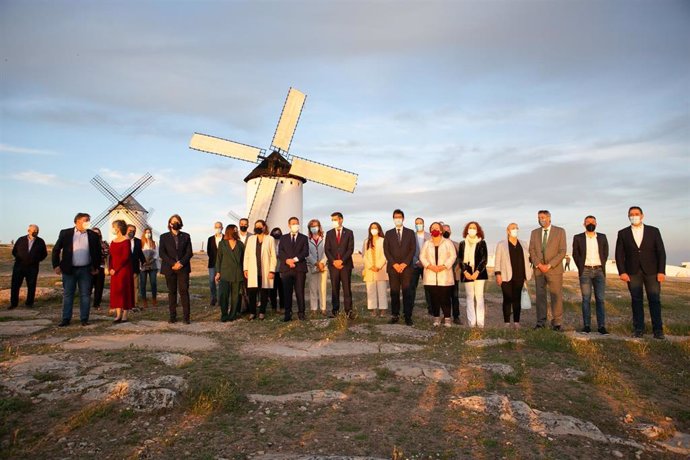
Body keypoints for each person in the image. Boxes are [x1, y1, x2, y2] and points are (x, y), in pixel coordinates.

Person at [615, 206, 666, 339]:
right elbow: (619, 254)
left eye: (636, 214)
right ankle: (638, 329)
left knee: (654, 300)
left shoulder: (653, 231)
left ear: (642, 216)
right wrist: (622, 272)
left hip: (652, 272)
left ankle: (658, 330)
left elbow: (661, 251)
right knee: (636, 300)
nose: (634, 216)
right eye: (631, 214)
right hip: (632, 272)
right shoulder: (623, 233)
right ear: (628, 216)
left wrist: (661, 271)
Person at [52, 213, 101, 327]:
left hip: (86, 269)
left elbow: (97, 252)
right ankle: (66, 319)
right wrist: (56, 265)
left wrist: (96, 267)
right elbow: (56, 249)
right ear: (77, 221)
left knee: (85, 294)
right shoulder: (65, 233)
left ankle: (84, 319)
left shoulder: (93, 235)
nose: (88, 222)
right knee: (68, 294)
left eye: (89, 220)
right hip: (69, 269)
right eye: (85, 220)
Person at [528, 210, 567, 331]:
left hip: (554, 269)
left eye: (543, 217)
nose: (541, 219)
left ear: (549, 218)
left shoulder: (560, 231)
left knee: (556, 296)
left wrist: (549, 265)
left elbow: (562, 251)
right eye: (539, 217)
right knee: (540, 296)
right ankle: (540, 322)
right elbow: (532, 250)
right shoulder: (534, 233)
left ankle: (557, 322)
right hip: (539, 270)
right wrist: (539, 264)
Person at [572, 216, 609, 334]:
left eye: (592, 222)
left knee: (600, 299)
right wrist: (581, 267)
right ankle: (586, 326)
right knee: (586, 299)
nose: (590, 223)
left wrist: (601, 265)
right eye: (588, 222)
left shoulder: (602, 237)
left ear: (596, 223)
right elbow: (575, 254)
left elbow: (605, 253)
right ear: (584, 224)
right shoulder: (578, 237)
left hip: (599, 271)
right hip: (585, 271)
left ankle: (601, 326)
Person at [419, 222, 457, 327]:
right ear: (430, 231)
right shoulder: (427, 243)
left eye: (436, 228)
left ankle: (447, 318)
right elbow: (422, 256)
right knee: (434, 298)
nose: (434, 229)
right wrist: (429, 266)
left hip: (444, 274)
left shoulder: (447, 242)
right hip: (430, 274)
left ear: (440, 230)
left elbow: (453, 256)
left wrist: (443, 266)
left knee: (445, 298)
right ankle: (436, 318)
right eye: (432, 228)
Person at [494, 223, 531, 328]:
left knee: (517, 299)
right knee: (507, 298)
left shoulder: (523, 244)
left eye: (516, 228)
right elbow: (497, 260)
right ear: (508, 231)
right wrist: (498, 274)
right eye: (513, 228)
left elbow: (528, 259)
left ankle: (516, 322)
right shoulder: (501, 244)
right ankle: (506, 322)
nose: (515, 230)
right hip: (505, 276)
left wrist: (528, 273)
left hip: (519, 276)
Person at [383, 209, 416, 326]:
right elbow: (386, 251)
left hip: (406, 268)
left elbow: (412, 249)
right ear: (393, 219)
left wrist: (404, 264)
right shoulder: (388, 233)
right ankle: (395, 315)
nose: (397, 219)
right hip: (393, 268)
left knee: (407, 292)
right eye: (395, 217)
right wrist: (395, 264)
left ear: (403, 218)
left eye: (399, 217)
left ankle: (408, 316)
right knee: (394, 292)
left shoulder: (410, 233)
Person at [159, 214, 193, 324]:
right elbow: (162, 253)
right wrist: (173, 263)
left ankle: (186, 317)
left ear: (180, 223)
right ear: (170, 224)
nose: (175, 223)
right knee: (172, 292)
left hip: (183, 268)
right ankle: (172, 316)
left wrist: (181, 263)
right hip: (170, 268)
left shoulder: (186, 236)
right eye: (173, 221)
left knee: (184, 291)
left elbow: (189, 252)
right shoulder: (163, 237)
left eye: (177, 221)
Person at [243, 219, 277, 320]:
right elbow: (247, 255)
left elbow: (273, 256)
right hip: (253, 270)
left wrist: (272, 270)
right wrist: (246, 269)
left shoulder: (270, 239)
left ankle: (262, 312)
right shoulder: (251, 239)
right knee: (252, 292)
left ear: (264, 227)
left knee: (264, 292)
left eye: (259, 226)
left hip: (265, 270)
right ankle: (252, 312)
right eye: (256, 226)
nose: (258, 228)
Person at [325, 212, 355, 318]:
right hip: (333, 266)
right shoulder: (329, 233)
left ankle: (348, 311)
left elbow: (350, 249)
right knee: (334, 288)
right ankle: (335, 311)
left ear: (341, 220)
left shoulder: (349, 232)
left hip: (345, 265)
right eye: (332, 220)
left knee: (347, 289)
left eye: (335, 219)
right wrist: (334, 261)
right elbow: (327, 249)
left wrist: (341, 261)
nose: (334, 222)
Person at [10, 224, 47, 309]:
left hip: (32, 267)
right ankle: (13, 304)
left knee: (31, 285)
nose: (36, 232)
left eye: (37, 231)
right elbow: (14, 251)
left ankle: (29, 303)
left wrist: (36, 260)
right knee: (15, 285)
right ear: (28, 231)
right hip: (19, 266)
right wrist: (20, 259)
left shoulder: (40, 241)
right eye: (34, 231)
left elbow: (44, 254)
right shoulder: (21, 239)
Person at [459, 222, 489, 328]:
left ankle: (480, 323)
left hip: (479, 274)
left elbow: (484, 259)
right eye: (470, 227)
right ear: (467, 230)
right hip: (467, 274)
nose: (472, 229)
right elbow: (460, 260)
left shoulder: (482, 243)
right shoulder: (462, 243)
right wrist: (466, 272)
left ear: (478, 230)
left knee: (479, 297)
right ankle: (471, 322)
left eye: (474, 227)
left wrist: (476, 272)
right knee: (469, 297)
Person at [279, 217, 309, 321]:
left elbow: (305, 252)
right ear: (289, 225)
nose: (295, 225)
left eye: (297, 223)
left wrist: (294, 260)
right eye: (293, 223)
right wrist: (287, 260)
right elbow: (281, 252)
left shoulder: (304, 238)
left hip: (299, 269)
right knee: (287, 292)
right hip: (286, 269)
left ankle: (301, 313)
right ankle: (288, 313)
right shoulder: (283, 238)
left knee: (300, 292)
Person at [215, 224, 245, 322]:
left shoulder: (240, 244)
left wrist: (245, 271)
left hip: (237, 274)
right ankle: (224, 315)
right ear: (229, 231)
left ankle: (233, 315)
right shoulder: (222, 243)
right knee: (224, 295)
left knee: (235, 296)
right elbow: (218, 259)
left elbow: (244, 260)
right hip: (225, 273)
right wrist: (218, 272)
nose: (236, 231)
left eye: (237, 230)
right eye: (234, 230)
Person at [108, 220, 134, 323]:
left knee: (125, 291)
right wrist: (110, 268)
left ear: (118, 228)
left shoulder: (126, 240)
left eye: (113, 227)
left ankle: (125, 315)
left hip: (123, 270)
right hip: (114, 271)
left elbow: (125, 256)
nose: (112, 229)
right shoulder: (113, 241)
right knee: (116, 291)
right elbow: (111, 257)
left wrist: (116, 269)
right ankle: (118, 314)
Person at [362, 222, 388, 317]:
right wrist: (370, 266)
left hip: (380, 269)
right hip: (369, 270)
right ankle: (373, 309)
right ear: (369, 229)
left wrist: (378, 265)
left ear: (379, 229)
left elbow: (385, 254)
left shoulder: (383, 240)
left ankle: (383, 310)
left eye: (375, 227)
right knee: (371, 290)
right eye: (372, 228)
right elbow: (364, 255)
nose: (374, 229)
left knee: (382, 290)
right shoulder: (366, 241)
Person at [306, 219, 328, 315]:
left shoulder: (325, 238)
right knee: (313, 288)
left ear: (319, 226)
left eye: (316, 225)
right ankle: (314, 308)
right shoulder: (307, 240)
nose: (314, 228)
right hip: (311, 267)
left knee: (322, 288)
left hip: (323, 267)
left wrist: (322, 263)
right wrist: (316, 263)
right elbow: (307, 253)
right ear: (309, 228)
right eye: (312, 226)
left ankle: (323, 308)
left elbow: (327, 252)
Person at [410, 217, 432, 315]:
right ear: (415, 225)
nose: (418, 224)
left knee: (428, 287)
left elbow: (431, 251)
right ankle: (410, 308)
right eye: (417, 223)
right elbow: (409, 250)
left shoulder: (429, 236)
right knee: (412, 287)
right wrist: (416, 261)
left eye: (420, 223)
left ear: (423, 224)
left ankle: (431, 308)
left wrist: (425, 262)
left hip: (427, 265)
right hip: (415, 265)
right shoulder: (411, 236)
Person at [442, 224, 462, 324]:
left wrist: (457, 268)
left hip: (454, 274)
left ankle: (456, 316)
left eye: (448, 229)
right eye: (444, 230)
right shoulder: (439, 244)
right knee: (444, 297)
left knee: (454, 297)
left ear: (450, 231)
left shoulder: (456, 244)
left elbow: (460, 259)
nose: (446, 231)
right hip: (443, 275)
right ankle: (446, 316)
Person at [126, 224, 146, 310]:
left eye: (134, 230)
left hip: (135, 268)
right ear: (126, 230)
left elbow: (140, 252)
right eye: (130, 230)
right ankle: (125, 304)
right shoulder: (122, 240)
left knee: (135, 287)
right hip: (125, 268)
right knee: (125, 287)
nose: (132, 232)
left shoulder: (138, 241)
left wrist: (143, 261)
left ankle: (134, 304)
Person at [140, 227, 159, 308]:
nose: (148, 234)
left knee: (153, 282)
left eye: (149, 232)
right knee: (143, 283)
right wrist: (143, 261)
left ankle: (154, 299)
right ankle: (144, 300)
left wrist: (151, 260)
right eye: (146, 232)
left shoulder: (155, 243)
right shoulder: (141, 243)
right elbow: (139, 253)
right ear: (144, 233)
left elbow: (157, 254)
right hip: (143, 265)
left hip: (152, 265)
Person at [90, 227, 109, 310]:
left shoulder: (104, 244)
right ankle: (86, 303)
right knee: (88, 287)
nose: (96, 234)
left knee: (99, 287)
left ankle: (96, 304)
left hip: (101, 267)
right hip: (89, 267)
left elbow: (107, 256)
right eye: (94, 232)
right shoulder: (87, 243)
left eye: (98, 233)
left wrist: (107, 267)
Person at [207, 221, 224, 307]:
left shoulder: (226, 238)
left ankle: (221, 299)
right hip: (212, 263)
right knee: (211, 281)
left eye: (219, 227)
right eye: (216, 227)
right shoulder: (210, 239)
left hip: (223, 264)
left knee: (221, 281)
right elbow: (209, 252)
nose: (218, 228)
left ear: (222, 228)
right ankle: (213, 297)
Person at [269, 227, 284, 312]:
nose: (277, 234)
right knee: (272, 290)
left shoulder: (283, 241)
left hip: (281, 269)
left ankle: (282, 306)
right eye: (275, 232)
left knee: (282, 290)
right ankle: (273, 307)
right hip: (272, 270)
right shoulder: (270, 242)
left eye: (278, 232)